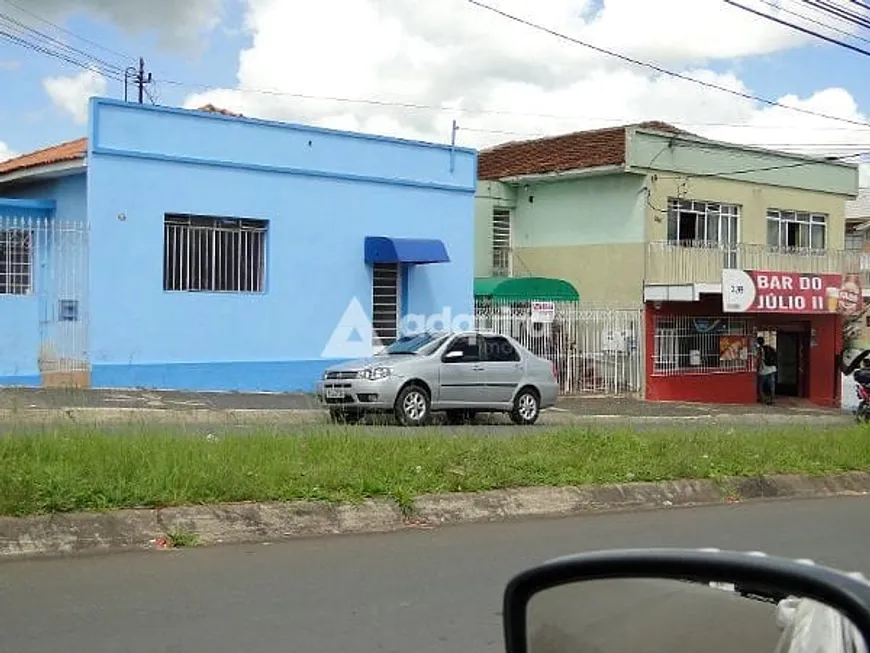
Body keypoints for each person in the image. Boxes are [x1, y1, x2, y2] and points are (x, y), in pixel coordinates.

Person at [756, 336, 777, 405]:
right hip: (772, 369)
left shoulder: (760, 349)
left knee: (760, 386)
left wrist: (757, 368)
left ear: (758, 342)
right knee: (772, 386)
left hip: (764, 370)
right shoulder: (769, 348)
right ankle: (772, 400)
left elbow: (759, 360)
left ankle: (763, 399)